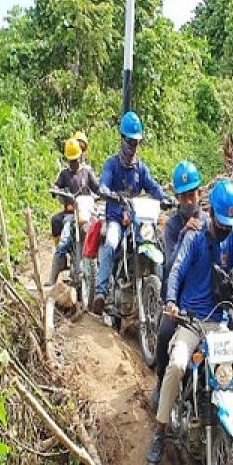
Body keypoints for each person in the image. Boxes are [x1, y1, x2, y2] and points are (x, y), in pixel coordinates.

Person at [148, 179, 233, 465]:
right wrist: (171, 301)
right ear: (212, 213)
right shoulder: (194, 236)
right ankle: (159, 433)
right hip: (192, 320)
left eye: (229, 223)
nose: (225, 228)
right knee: (177, 365)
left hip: (220, 322)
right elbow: (177, 269)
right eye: (222, 223)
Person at [92, 111, 173, 314]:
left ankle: (162, 297)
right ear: (122, 139)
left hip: (138, 222)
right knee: (110, 244)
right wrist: (106, 192)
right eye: (130, 141)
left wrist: (163, 198)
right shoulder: (112, 165)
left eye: (136, 142)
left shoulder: (141, 169)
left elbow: (153, 187)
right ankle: (101, 292)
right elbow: (103, 183)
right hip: (116, 219)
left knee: (158, 246)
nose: (132, 146)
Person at [150, 160, 207, 410]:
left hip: (203, 297)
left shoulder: (208, 222)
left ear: (200, 193)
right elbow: (170, 263)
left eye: (192, 195)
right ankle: (162, 382)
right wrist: (184, 233)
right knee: (164, 334)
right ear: (177, 198)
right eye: (183, 197)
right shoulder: (172, 226)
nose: (189, 202)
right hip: (177, 297)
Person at [48, 135, 98, 285]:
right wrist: (56, 189)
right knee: (63, 242)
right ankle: (52, 277)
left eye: (75, 159)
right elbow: (56, 186)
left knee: (99, 236)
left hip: (86, 214)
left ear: (81, 157)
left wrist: (103, 192)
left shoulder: (87, 172)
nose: (74, 163)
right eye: (71, 160)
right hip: (71, 215)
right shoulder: (64, 174)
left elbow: (97, 187)